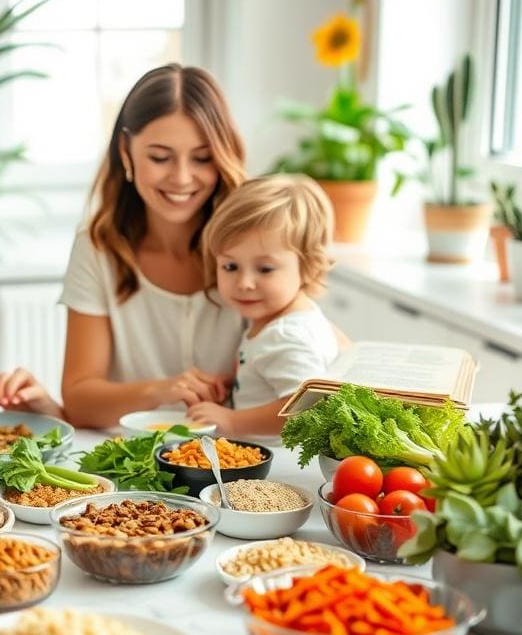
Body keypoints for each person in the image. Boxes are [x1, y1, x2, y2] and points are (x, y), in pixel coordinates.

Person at [60, 64, 247, 428]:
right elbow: (79, 401)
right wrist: (162, 391)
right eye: (160, 157)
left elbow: (308, 336)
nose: (181, 177)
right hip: (134, 458)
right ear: (126, 152)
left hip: (242, 457)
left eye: (202, 158)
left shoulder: (256, 240)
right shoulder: (98, 248)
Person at [184, 174, 342, 436]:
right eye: (230, 266)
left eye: (265, 269)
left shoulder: (285, 335)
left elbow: (307, 408)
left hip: (277, 466)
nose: (245, 283)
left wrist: (233, 420)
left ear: (308, 267)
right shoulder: (285, 320)